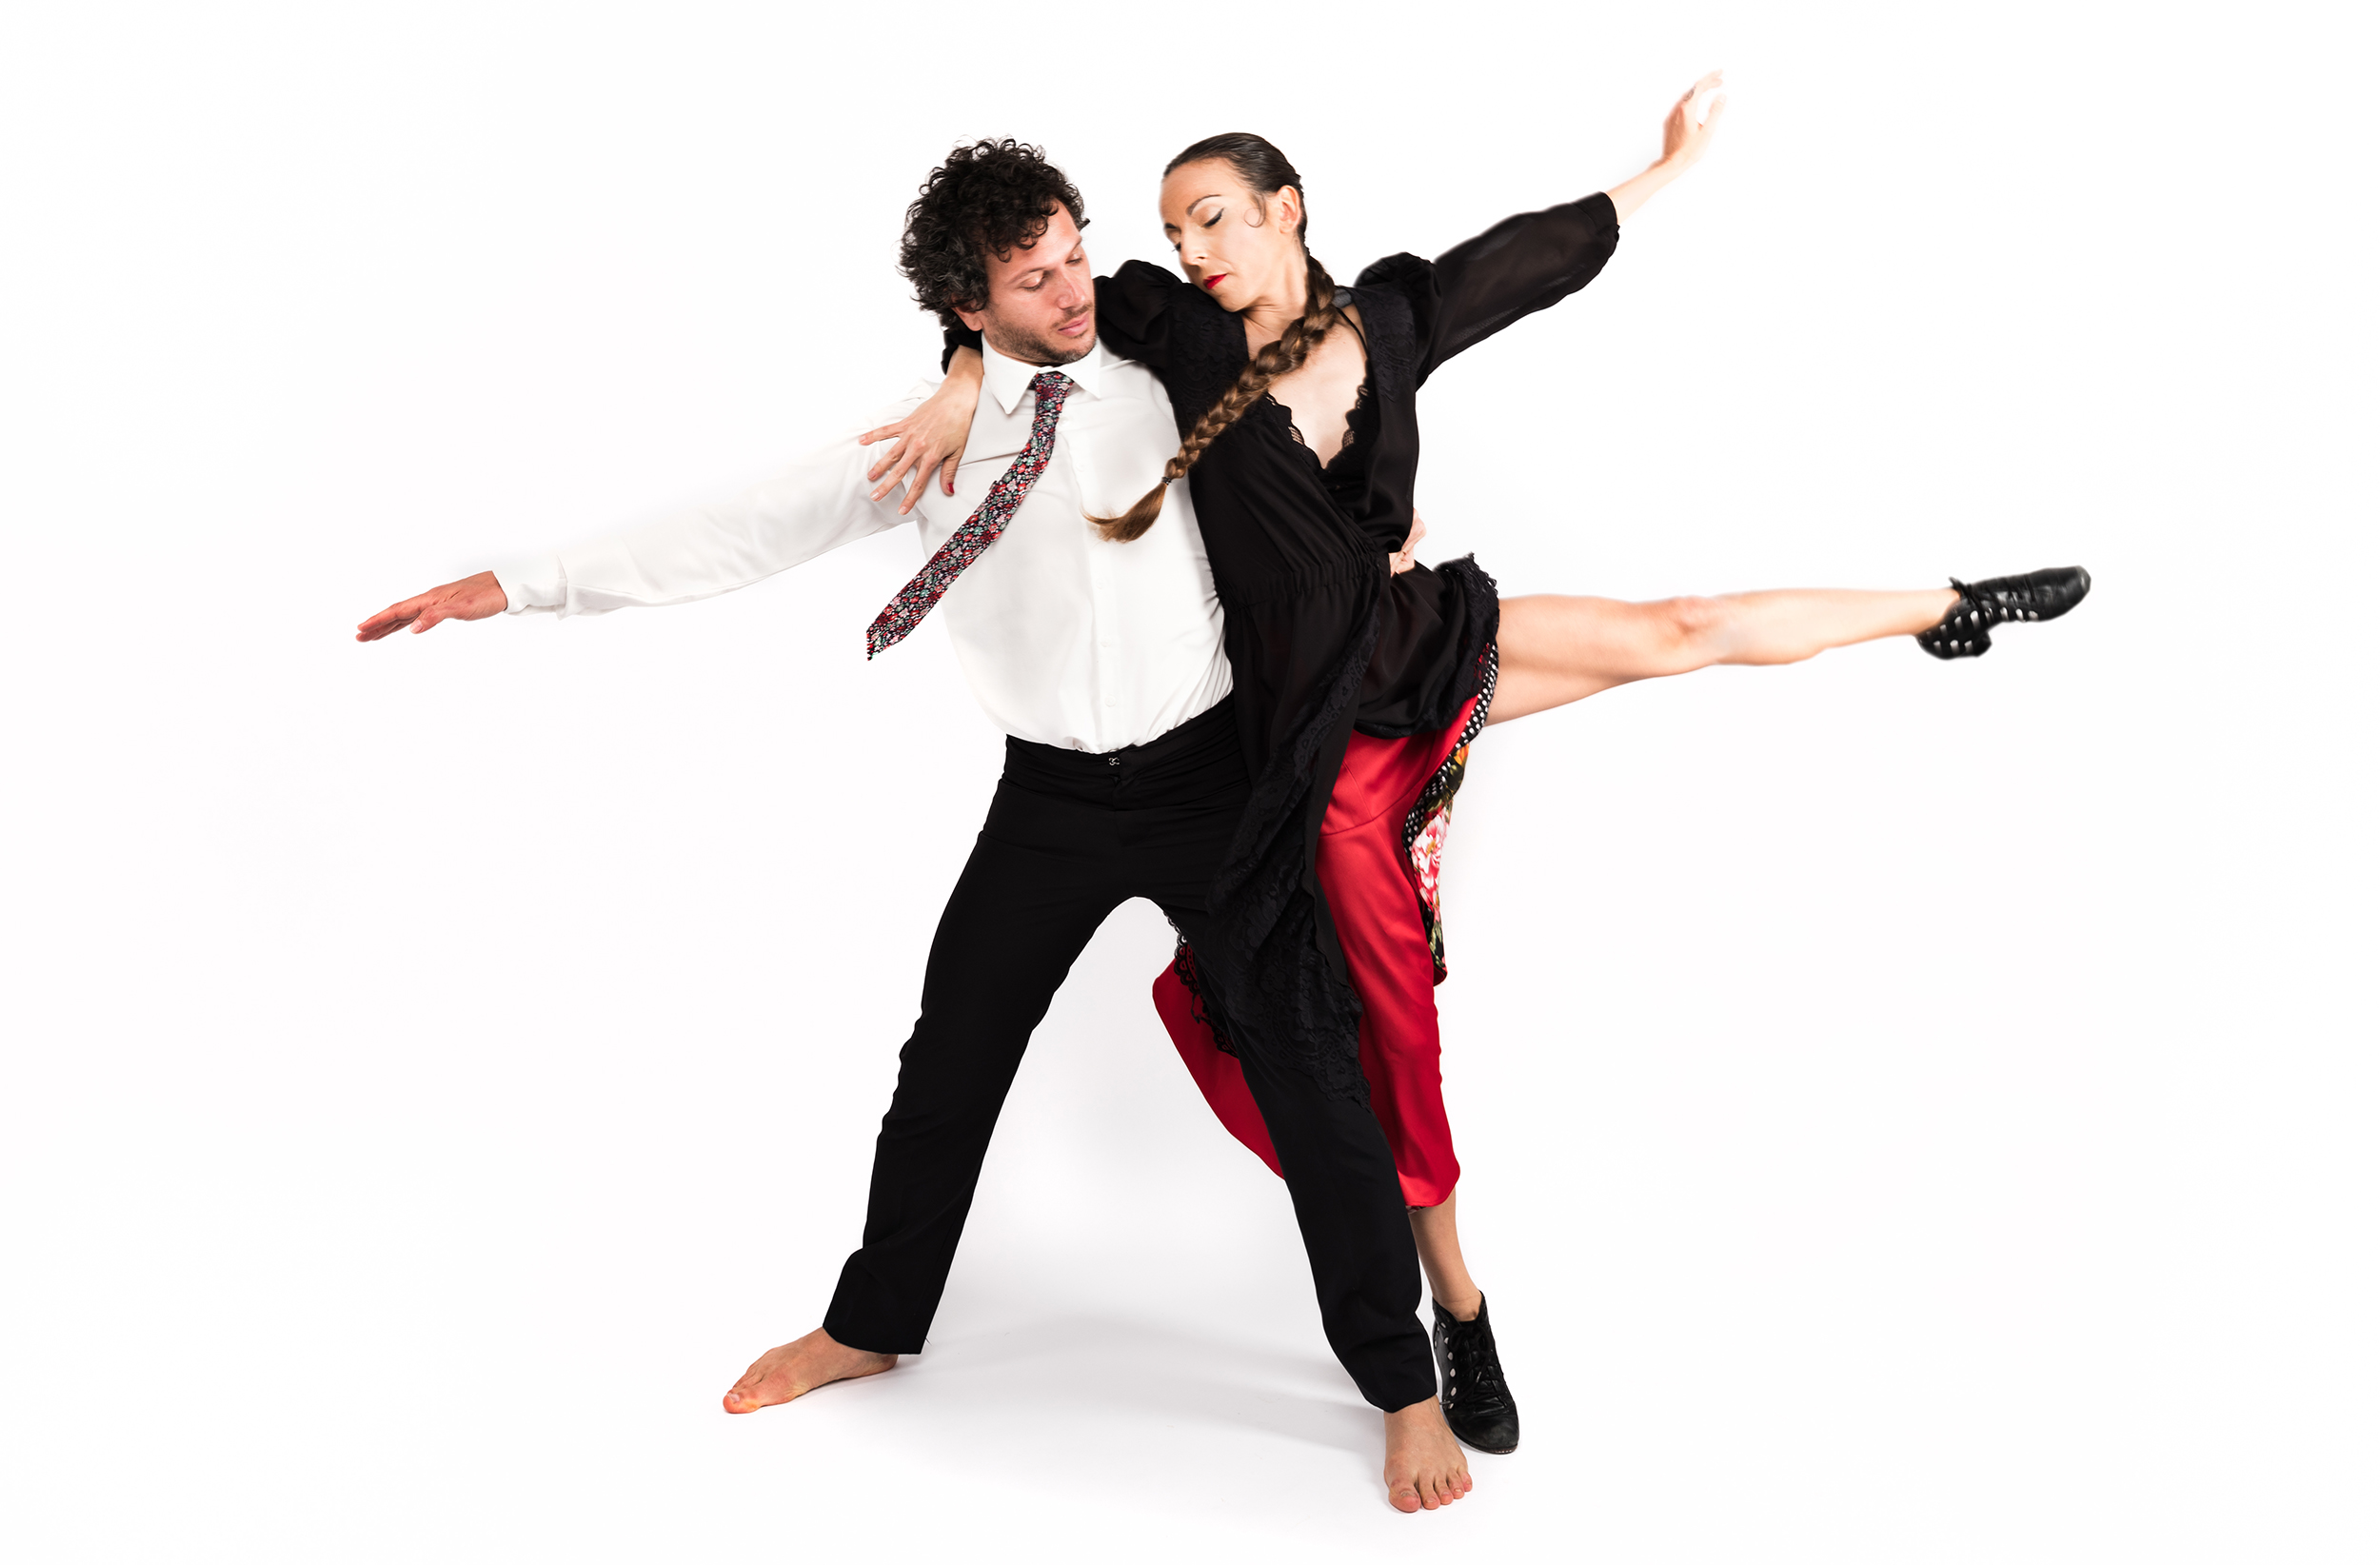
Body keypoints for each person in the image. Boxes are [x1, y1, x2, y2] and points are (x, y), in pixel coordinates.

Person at [884, 77, 2092, 1456]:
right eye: (1170, 230)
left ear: (1287, 209)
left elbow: (1524, 262)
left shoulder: (1389, 319)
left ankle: (1946, 605)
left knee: (1678, 627)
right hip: (1312, 744)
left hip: (1415, 644)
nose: (1190, 248)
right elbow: (1022, 314)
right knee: (1394, 1032)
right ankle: (1457, 1305)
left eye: (1213, 216)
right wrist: (960, 382)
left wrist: (1664, 171)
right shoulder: (1175, 329)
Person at [355, 140, 1479, 1514]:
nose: (1077, 288)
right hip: (1052, 801)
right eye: (1035, 279)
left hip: (1211, 782)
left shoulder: (1165, 374)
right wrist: (521, 582)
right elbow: (749, 524)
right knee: (947, 1064)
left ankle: (1402, 1387)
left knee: (1314, 1068)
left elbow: (1313, 389)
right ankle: (871, 1324)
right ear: (968, 309)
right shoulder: (937, 437)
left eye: (1076, 253)